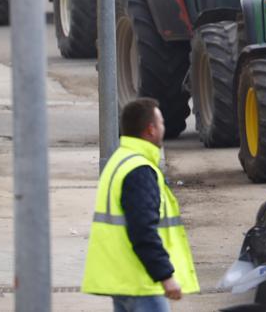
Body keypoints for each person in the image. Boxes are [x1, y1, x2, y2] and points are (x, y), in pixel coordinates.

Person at [82, 98, 199, 310]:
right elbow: (143, 230)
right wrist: (165, 276)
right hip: (143, 285)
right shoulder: (140, 170)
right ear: (151, 130)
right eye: (161, 123)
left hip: (125, 281)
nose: (164, 127)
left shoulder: (120, 160)